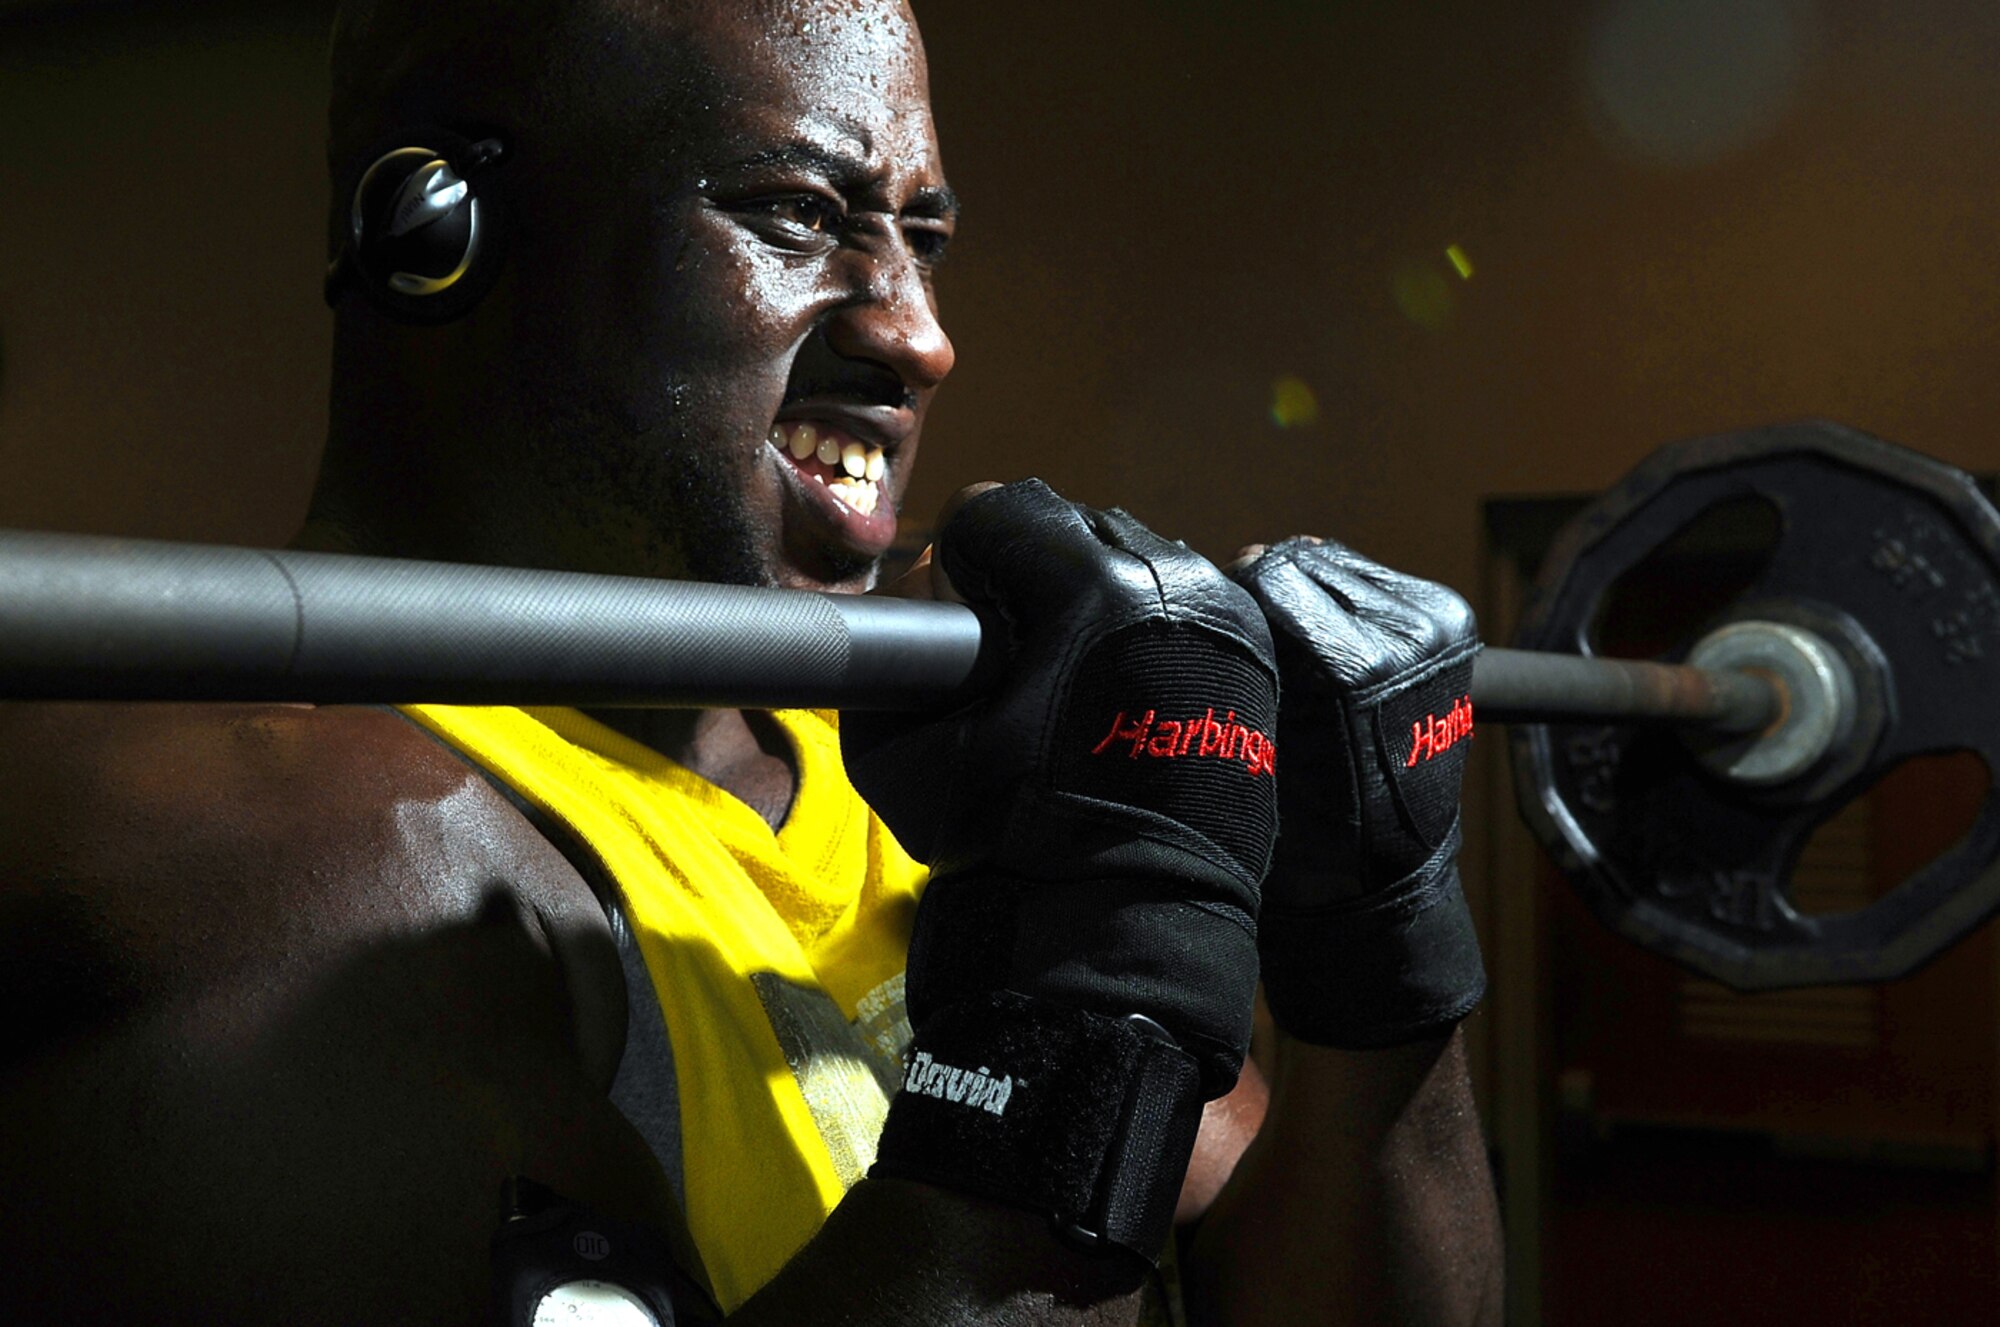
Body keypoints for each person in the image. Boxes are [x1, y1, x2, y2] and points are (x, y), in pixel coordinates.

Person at [0, 0, 1503, 1321]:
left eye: (923, 234)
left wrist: (1381, 964)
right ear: (437, 232)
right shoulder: (280, 851)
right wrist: (1075, 1030)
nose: (919, 338)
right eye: (798, 213)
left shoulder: (898, 783)